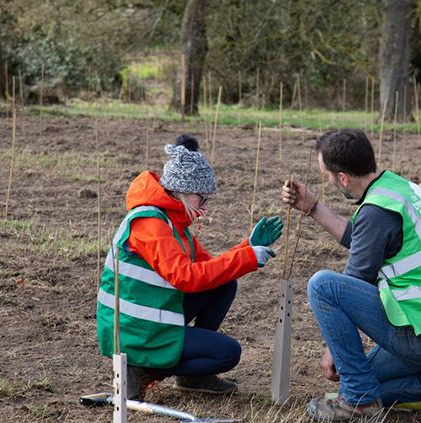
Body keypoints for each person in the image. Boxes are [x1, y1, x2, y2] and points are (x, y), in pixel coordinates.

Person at [281, 129, 421, 423]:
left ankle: (359, 405)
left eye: (327, 174)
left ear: (342, 178)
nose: (327, 180)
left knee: (323, 286)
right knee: (364, 381)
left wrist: (333, 351)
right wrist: (313, 208)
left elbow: (355, 279)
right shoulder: (396, 188)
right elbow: (360, 237)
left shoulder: (378, 211)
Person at [97, 134, 283, 400]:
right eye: (202, 199)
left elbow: (209, 267)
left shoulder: (172, 222)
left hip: (150, 319)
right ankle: (142, 370)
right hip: (134, 332)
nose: (204, 208)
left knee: (224, 284)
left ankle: (190, 375)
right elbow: (187, 278)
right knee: (228, 353)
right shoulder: (151, 224)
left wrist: (247, 247)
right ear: (182, 190)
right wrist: (248, 258)